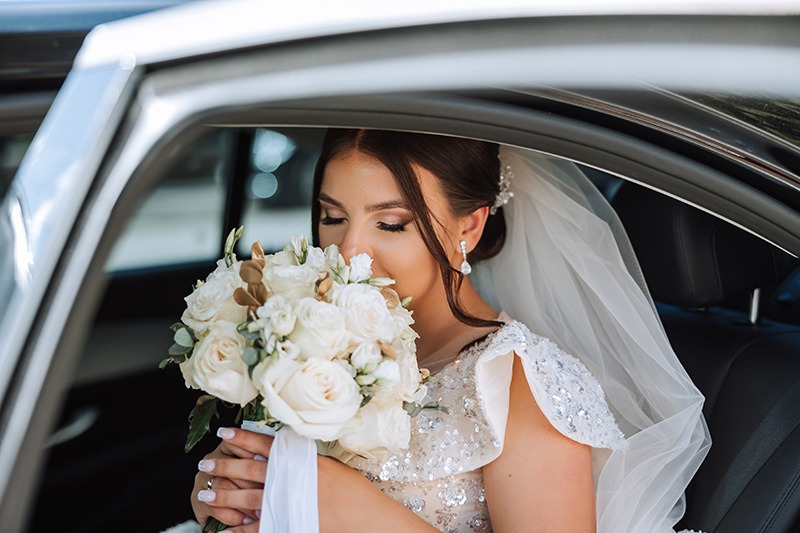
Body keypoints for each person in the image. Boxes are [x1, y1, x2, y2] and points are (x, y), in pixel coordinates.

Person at [178, 129, 710, 532]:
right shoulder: (315, 334)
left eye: (391, 223)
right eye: (332, 216)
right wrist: (232, 496)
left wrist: (353, 511)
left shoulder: (519, 382)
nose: (350, 252)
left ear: (469, 226)